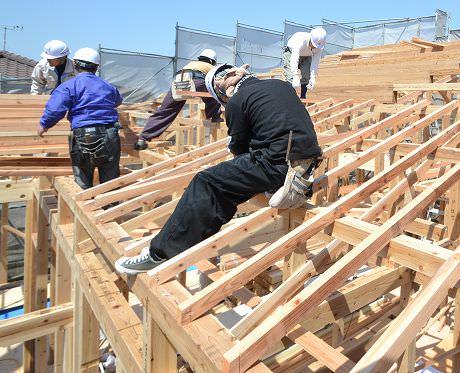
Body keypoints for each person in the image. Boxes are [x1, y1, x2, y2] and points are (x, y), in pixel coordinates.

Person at [115, 63, 322, 274]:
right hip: (307, 157)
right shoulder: (281, 85)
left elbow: (239, 149)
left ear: (228, 80)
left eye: (220, 93)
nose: (224, 99)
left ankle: (161, 254)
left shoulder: (237, 101)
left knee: (207, 182)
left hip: (276, 164)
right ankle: (290, 179)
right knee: (243, 167)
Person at [38, 47, 123, 189]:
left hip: (82, 135)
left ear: (76, 65)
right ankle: (111, 208)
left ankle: (84, 206)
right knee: (111, 183)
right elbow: (118, 101)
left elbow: (55, 109)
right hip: (109, 134)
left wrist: (44, 125)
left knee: (82, 181)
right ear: (96, 67)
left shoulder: (69, 86)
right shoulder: (107, 86)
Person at [134, 49, 223, 150]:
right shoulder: (211, 67)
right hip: (196, 81)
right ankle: (214, 116)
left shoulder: (192, 63)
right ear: (212, 61)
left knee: (165, 111)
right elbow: (218, 81)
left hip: (178, 83)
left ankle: (142, 139)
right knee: (214, 92)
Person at [283, 27, 326, 99]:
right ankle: (291, 98)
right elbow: (294, 58)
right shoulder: (300, 41)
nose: (314, 47)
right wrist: (295, 74)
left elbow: (315, 62)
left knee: (306, 75)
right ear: (311, 39)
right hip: (291, 53)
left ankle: (303, 97)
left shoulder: (319, 47)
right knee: (290, 77)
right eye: (313, 45)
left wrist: (313, 77)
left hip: (306, 56)